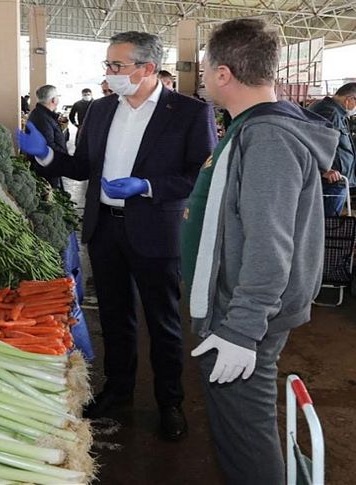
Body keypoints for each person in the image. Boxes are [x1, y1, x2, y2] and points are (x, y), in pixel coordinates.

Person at [18, 31, 217, 441]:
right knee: (114, 315)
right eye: (107, 65)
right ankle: (119, 389)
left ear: (147, 69)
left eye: (117, 66)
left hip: (155, 230)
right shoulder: (102, 110)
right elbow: (82, 167)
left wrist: (146, 186)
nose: (109, 74)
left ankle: (170, 401)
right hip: (105, 227)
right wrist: (46, 155)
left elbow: (200, 176)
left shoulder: (188, 113)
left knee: (162, 321)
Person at [182, 19, 339, 485]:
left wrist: (242, 328)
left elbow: (270, 243)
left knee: (245, 437)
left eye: (207, 67)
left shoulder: (267, 137)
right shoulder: (251, 127)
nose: (204, 76)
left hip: (243, 315)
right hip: (235, 305)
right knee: (239, 429)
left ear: (225, 73)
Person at [308, 82, 356, 216]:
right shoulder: (329, 112)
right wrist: (324, 170)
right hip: (331, 182)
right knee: (329, 227)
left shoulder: (332, 110)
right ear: (350, 99)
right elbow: (313, 142)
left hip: (335, 181)